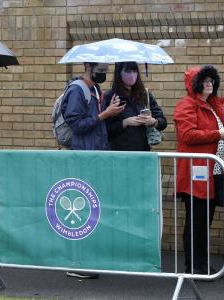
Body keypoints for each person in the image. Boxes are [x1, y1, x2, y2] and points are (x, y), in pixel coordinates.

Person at [61, 62, 124, 279]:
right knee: (83, 210)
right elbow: (77, 125)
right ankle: (76, 262)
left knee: (94, 208)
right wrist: (104, 114)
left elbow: (96, 125)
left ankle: (90, 259)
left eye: (106, 71)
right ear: (88, 66)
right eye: (100, 70)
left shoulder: (95, 90)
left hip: (97, 155)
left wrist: (110, 110)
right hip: (83, 156)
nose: (104, 74)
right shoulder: (77, 90)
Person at [173, 65, 224, 274]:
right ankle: (193, 266)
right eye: (205, 81)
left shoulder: (213, 105)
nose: (209, 84)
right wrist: (218, 134)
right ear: (195, 84)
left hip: (212, 173)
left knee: (205, 222)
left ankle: (202, 265)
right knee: (195, 223)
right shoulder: (186, 105)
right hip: (196, 173)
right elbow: (187, 135)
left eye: (212, 81)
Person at [104, 61, 167, 151]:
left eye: (134, 71)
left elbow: (163, 122)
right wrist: (124, 123)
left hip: (143, 152)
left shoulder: (145, 95)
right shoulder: (110, 96)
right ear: (119, 73)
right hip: (119, 154)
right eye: (128, 71)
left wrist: (153, 121)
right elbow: (105, 130)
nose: (132, 75)